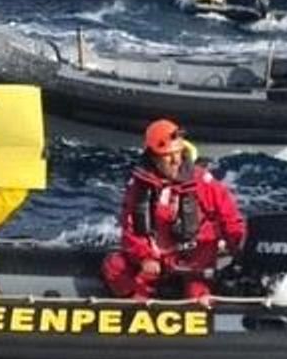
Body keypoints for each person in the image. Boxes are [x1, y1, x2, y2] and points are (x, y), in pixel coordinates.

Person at [102, 119, 246, 303]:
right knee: (116, 268)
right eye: (168, 155)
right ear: (154, 157)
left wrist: (238, 249)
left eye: (178, 153)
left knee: (198, 297)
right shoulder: (139, 187)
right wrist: (145, 257)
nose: (176, 161)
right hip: (156, 262)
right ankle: (137, 311)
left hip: (195, 262)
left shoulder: (203, 181)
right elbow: (130, 228)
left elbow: (231, 219)